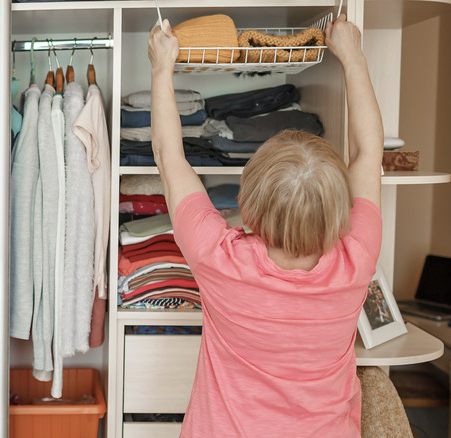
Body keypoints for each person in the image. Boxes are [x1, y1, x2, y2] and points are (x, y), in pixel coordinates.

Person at [148, 14, 384, 437]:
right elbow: (369, 154)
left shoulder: (218, 259)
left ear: (248, 208)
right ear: (339, 208)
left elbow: (170, 159)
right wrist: (352, 57)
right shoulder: (357, 258)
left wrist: (162, 67)